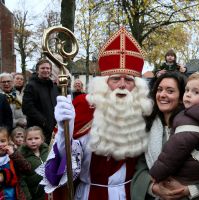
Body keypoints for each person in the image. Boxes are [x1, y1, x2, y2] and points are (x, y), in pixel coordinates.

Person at [36, 27, 153, 200]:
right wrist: (63, 132)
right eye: (115, 79)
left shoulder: (144, 112)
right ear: (104, 84)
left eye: (128, 79)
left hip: (130, 194)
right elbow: (59, 169)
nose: (122, 85)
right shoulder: (83, 107)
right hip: (88, 194)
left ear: (137, 86)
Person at [131, 71, 199, 200]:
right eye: (159, 89)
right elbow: (141, 166)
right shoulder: (148, 127)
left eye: (170, 91)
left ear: (181, 97)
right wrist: (154, 188)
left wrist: (190, 190)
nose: (162, 95)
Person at [22, 59, 59, 144]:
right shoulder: (31, 86)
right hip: (38, 130)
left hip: (53, 128)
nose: (46, 70)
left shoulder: (53, 87)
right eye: (43, 68)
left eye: (48, 68)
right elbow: (27, 108)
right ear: (37, 70)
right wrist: (43, 122)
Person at [0, 126, 31, 199]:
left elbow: (27, 169)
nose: (0, 144)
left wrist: (13, 155)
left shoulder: (13, 155)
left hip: (14, 195)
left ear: (9, 140)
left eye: (3, 141)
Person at [19, 126, 48, 200]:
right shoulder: (22, 156)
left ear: (42, 139)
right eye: (29, 139)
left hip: (49, 192)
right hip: (34, 194)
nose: (33, 141)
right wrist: (27, 197)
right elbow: (21, 179)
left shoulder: (48, 151)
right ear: (25, 141)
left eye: (36, 138)